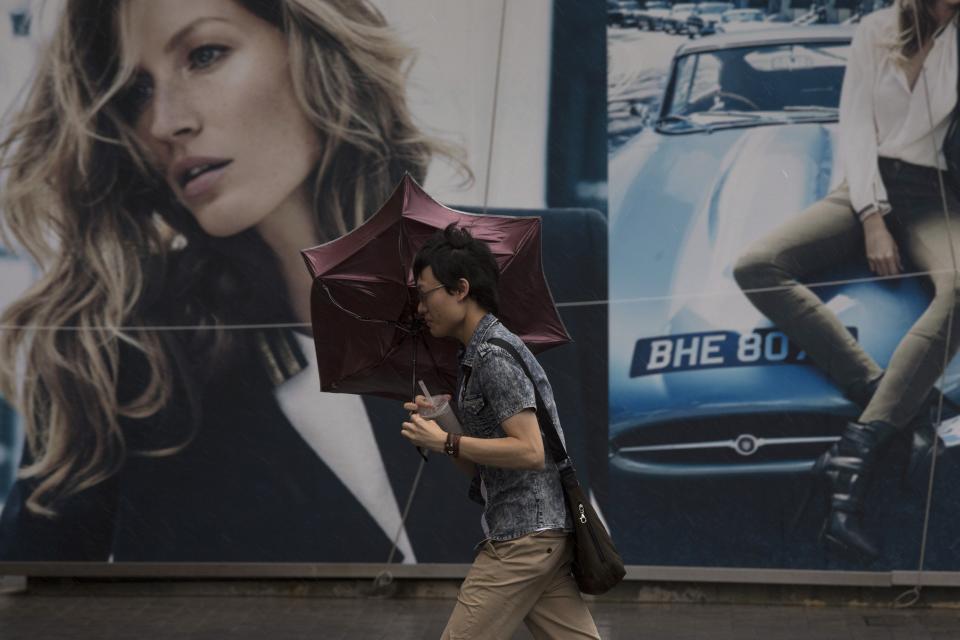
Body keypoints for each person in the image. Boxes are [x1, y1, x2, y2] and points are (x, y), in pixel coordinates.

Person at [0, 0, 463, 561]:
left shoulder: (550, 269)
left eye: (204, 55)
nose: (165, 123)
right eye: (136, 93)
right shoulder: (114, 361)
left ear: (312, 44)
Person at [733, 0, 960, 562]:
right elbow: (855, 125)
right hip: (863, 187)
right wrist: (871, 219)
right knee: (756, 265)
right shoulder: (875, 30)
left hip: (934, 195)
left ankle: (854, 453)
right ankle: (891, 409)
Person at [401, 224, 600, 640]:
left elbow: (530, 451)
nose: (420, 307)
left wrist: (447, 441)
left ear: (460, 289)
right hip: (537, 534)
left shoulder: (492, 355)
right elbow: (483, 470)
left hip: (521, 540)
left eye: (424, 292)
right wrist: (444, 421)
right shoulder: (475, 357)